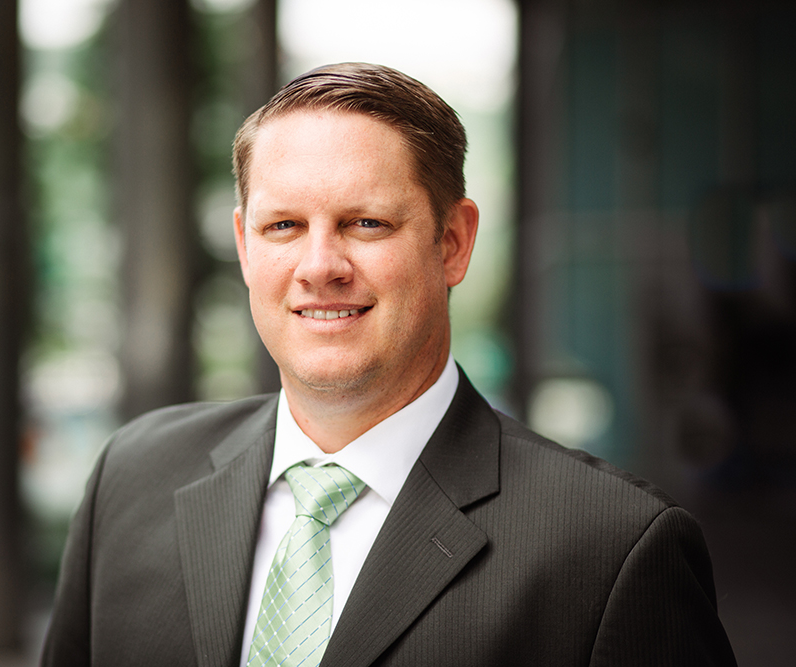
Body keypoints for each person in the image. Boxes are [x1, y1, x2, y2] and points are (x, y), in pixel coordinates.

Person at [41, 62, 736, 666]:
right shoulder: (132, 479)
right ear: (245, 247)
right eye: (283, 226)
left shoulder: (612, 550)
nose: (320, 266)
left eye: (366, 223)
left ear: (453, 242)